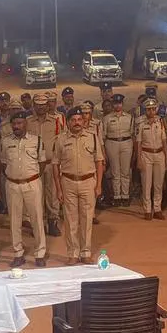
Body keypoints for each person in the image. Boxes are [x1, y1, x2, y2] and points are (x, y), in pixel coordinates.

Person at [53, 107, 104, 265]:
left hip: (88, 182)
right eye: (73, 120)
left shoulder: (93, 137)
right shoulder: (61, 139)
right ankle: (73, 253)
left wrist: (99, 185)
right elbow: (55, 165)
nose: (77, 123)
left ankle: (86, 252)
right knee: (70, 220)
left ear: (84, 121)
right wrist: (59, 189)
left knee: (87, 218)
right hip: (68, 182)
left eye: (79, 120)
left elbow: (99, 162)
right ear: (68, 122)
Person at [0, 111, 48, 267]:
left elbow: (42, 163)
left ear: (25, 124)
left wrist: (30, 176)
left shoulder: (36, 140)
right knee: (14, 220)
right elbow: (3, 163)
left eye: (19, 123)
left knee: (37, 219)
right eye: (14, 124)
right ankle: (18, 252)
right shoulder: (5, 142)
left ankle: (40, 253)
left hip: (32, 183)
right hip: (12, 184)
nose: (16, 126)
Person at [28, 94, 63, 235]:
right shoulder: (27, 122)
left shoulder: (55, 122)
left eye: (43, 104)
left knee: (52, 194)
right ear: (33, 105)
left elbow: (60, 142)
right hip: (33, 165)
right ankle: (38, 225)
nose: (41, 107)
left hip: (50, 164)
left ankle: (53, 222)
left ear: (47, 105)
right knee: (35, 195)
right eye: (38, 104)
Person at [135, 98, 167, 220]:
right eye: (148, 109)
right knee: (146, 184)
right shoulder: (140, 123)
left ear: (156, 109)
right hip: (146, 154)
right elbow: (138, 143)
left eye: (153, 109)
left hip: (159, 154)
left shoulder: (160, 122)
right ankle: (147, 210)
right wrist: (138, 159)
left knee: (158, 184)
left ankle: (157, 208)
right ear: (145, 110)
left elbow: (164, 141)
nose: (151, 111)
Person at [101, 94, 134, 207]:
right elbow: (103, 136)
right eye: (115, 103)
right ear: (113, 104)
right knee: (115, 171)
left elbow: (132, 133)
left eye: (119, 103)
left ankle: (125, 196)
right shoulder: (107, 118)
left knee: (125, 171)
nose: (117, 105)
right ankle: (117, 196)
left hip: (126, 142)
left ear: (122, 104)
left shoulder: (129, 117)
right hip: (112, 143)